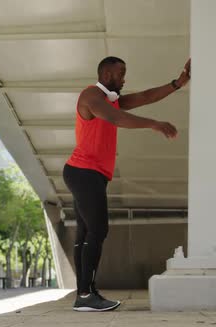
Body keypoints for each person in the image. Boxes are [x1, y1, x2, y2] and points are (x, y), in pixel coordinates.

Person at [63, 57, 191, 312]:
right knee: (97, 231)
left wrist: (178, 83)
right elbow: (116, 118)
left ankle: (85, 294)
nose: (124, 79)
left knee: (87, 234)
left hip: (90, 174)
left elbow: (146, 96)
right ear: (108, 74)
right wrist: (155, 124)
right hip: (83, 171)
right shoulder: (91, 96)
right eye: (121, 74)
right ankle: (86, 295)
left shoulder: (111, 98)